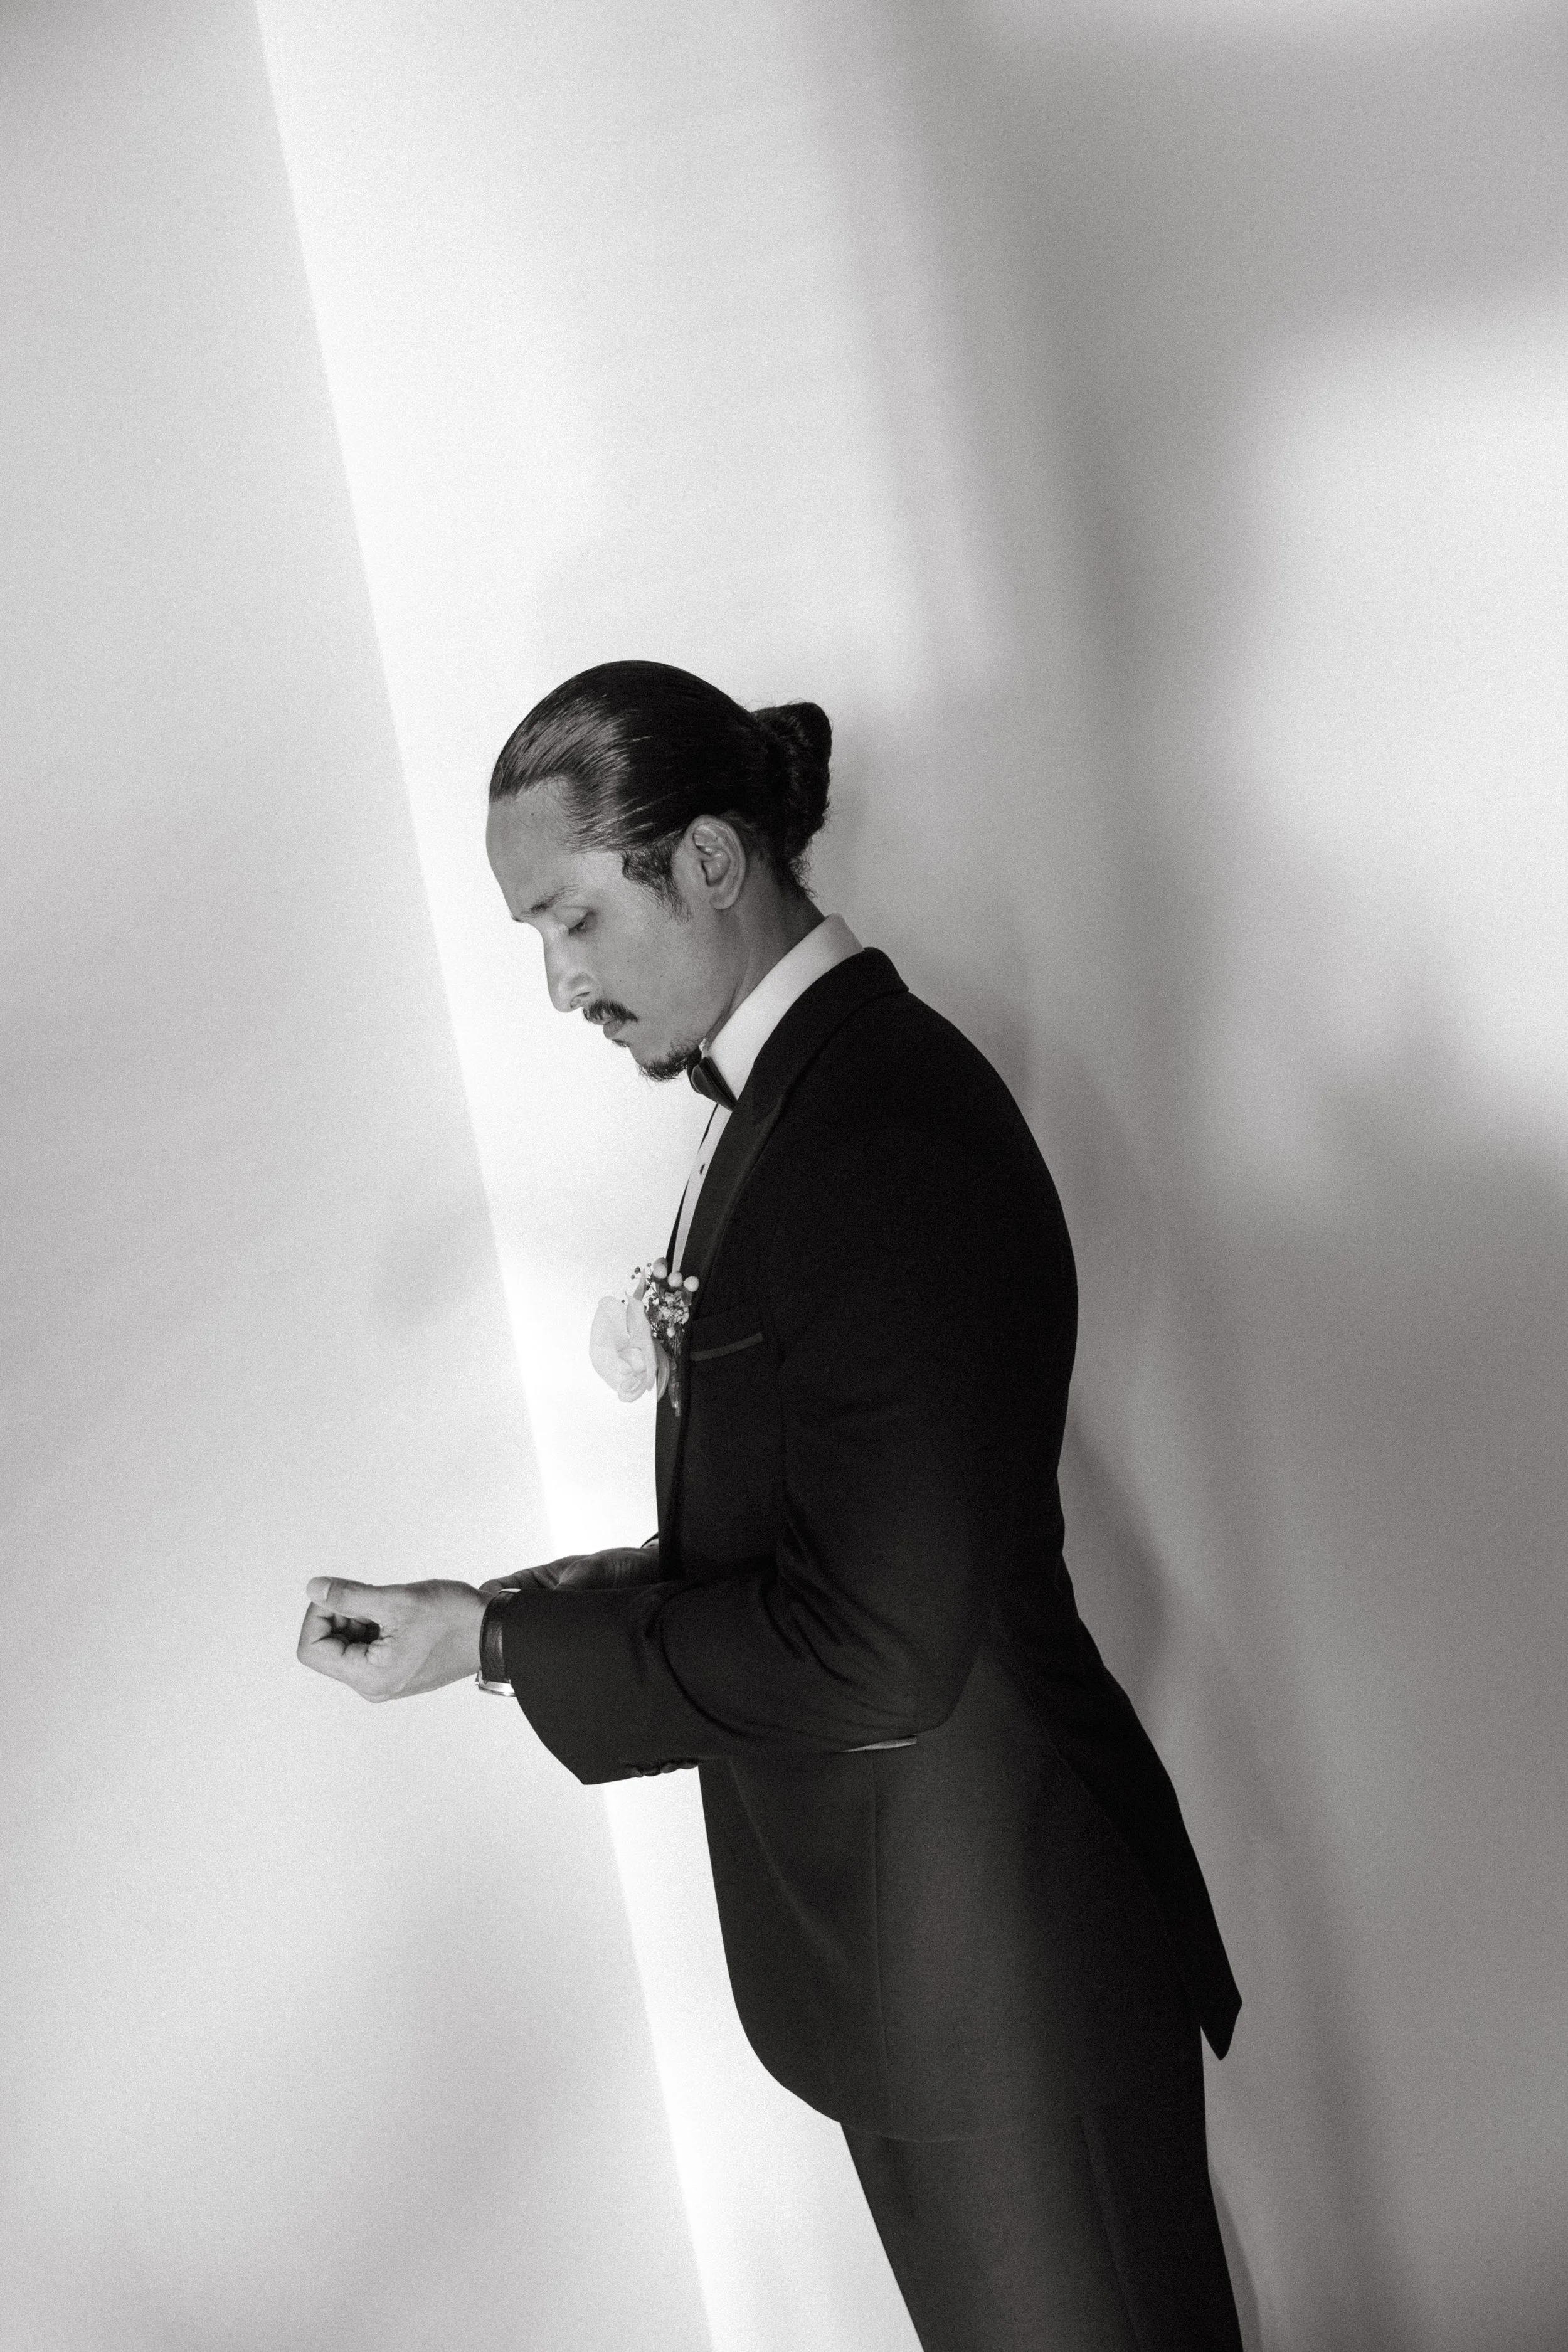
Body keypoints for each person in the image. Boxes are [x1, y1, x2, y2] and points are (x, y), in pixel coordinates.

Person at [297, 660, 1244, 2351]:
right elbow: (792, 1546)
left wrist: (507, 1648)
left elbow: (868, 1639)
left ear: (714, 863)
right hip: (933, 1986)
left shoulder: (876, 1134)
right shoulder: (793, 1108)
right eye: (535, 934)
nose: (555, 981)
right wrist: (486, 1617)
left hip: (1004, 1986)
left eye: (573, 918)